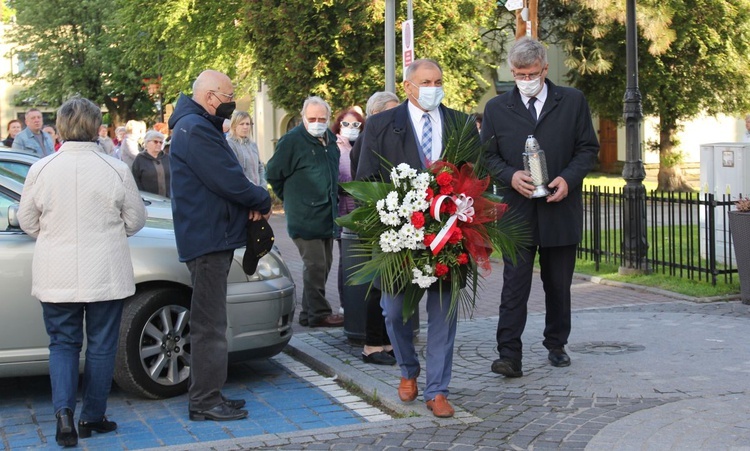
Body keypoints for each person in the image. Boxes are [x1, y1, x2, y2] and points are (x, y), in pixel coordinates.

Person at [17, 97, 146, 447]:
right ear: (94, 126)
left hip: (56, 272)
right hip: (105, 271)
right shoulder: (115, 169)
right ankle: (93, 414)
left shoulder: (41, 169)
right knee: (102, 346)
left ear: (60, 127)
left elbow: (28, 221)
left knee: (62, 344)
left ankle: (63, 416)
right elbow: (135, 220)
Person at [356, 59, 478, 418]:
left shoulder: (461, 122)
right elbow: (366, 180)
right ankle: (408, 369)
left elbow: (476, 174)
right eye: (426, 81)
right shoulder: (380, 125)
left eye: (438, 81)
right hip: (400, 239)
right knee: (394, 313)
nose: (433, 87)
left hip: (448, 237)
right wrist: (392, 222)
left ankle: (437, 390)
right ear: (408, 86)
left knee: (443, 316)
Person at [481, 37, 599, 378]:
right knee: (514, 284)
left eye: (530, 72)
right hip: (518, 213)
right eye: (518, 73)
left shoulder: (573, 101)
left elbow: (587, 148)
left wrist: (568, 178)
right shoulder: (496, 108)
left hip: (560, 209)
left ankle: (556, 344)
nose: (524, 79)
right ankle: (509, 354)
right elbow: (487, 155)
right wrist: (509, 175)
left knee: (559, 284)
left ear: (544, 69)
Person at [169, 69, 271, 422]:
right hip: (208, 237)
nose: (232, 102)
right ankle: (205, 400)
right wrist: (260, 198)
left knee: (209, 321)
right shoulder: (195, 129)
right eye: (229, 96)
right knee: (209, 324)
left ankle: (208, 393)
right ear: (210, 97)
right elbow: (228, 179)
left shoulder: (194, 126)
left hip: (209, 234)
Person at [266, 96, 343, 328]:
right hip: (304, 217)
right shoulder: (291, 141)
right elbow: (273, 174)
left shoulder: (330, 139)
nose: (317, 123)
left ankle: (308, 313)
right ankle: (319, 313)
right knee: (315, 265)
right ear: (303, 117)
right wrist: (292, 198)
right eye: (312, 118)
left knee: (324, 264)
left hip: (328, 215)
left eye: (322, 118)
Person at [348, 93, 400, 366]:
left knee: (391, 284)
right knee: (379, 286)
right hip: (377, 222)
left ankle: (387, 341)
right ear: (377, 115)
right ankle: (371, 344)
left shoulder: (384, 140)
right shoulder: (369, 141)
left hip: (390, 221)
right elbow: (365, 184)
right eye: (391, 112)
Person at [350, 91, 400, 176]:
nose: (397, 117)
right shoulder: (365, 140)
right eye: (392, 113)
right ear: (376, 114)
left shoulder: (393, 137)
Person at [226, 111, 266, 187]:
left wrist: (263, 186)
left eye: (248, 124)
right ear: (234, 126)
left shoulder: (253, 145)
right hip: (243, 191)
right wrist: (254, 188)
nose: (245, 127)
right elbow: (236, 171)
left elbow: (260, 167)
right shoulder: (230, 144)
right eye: (242, 124)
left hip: (258, 192)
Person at [132, 130, 170, 197]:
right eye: (155, 142)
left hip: (168, 199)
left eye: (160, 142)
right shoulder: (140, 159)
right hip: (149, 200)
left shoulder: (167, 158)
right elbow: (135, 180)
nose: (158, 144)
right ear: (147, 143)